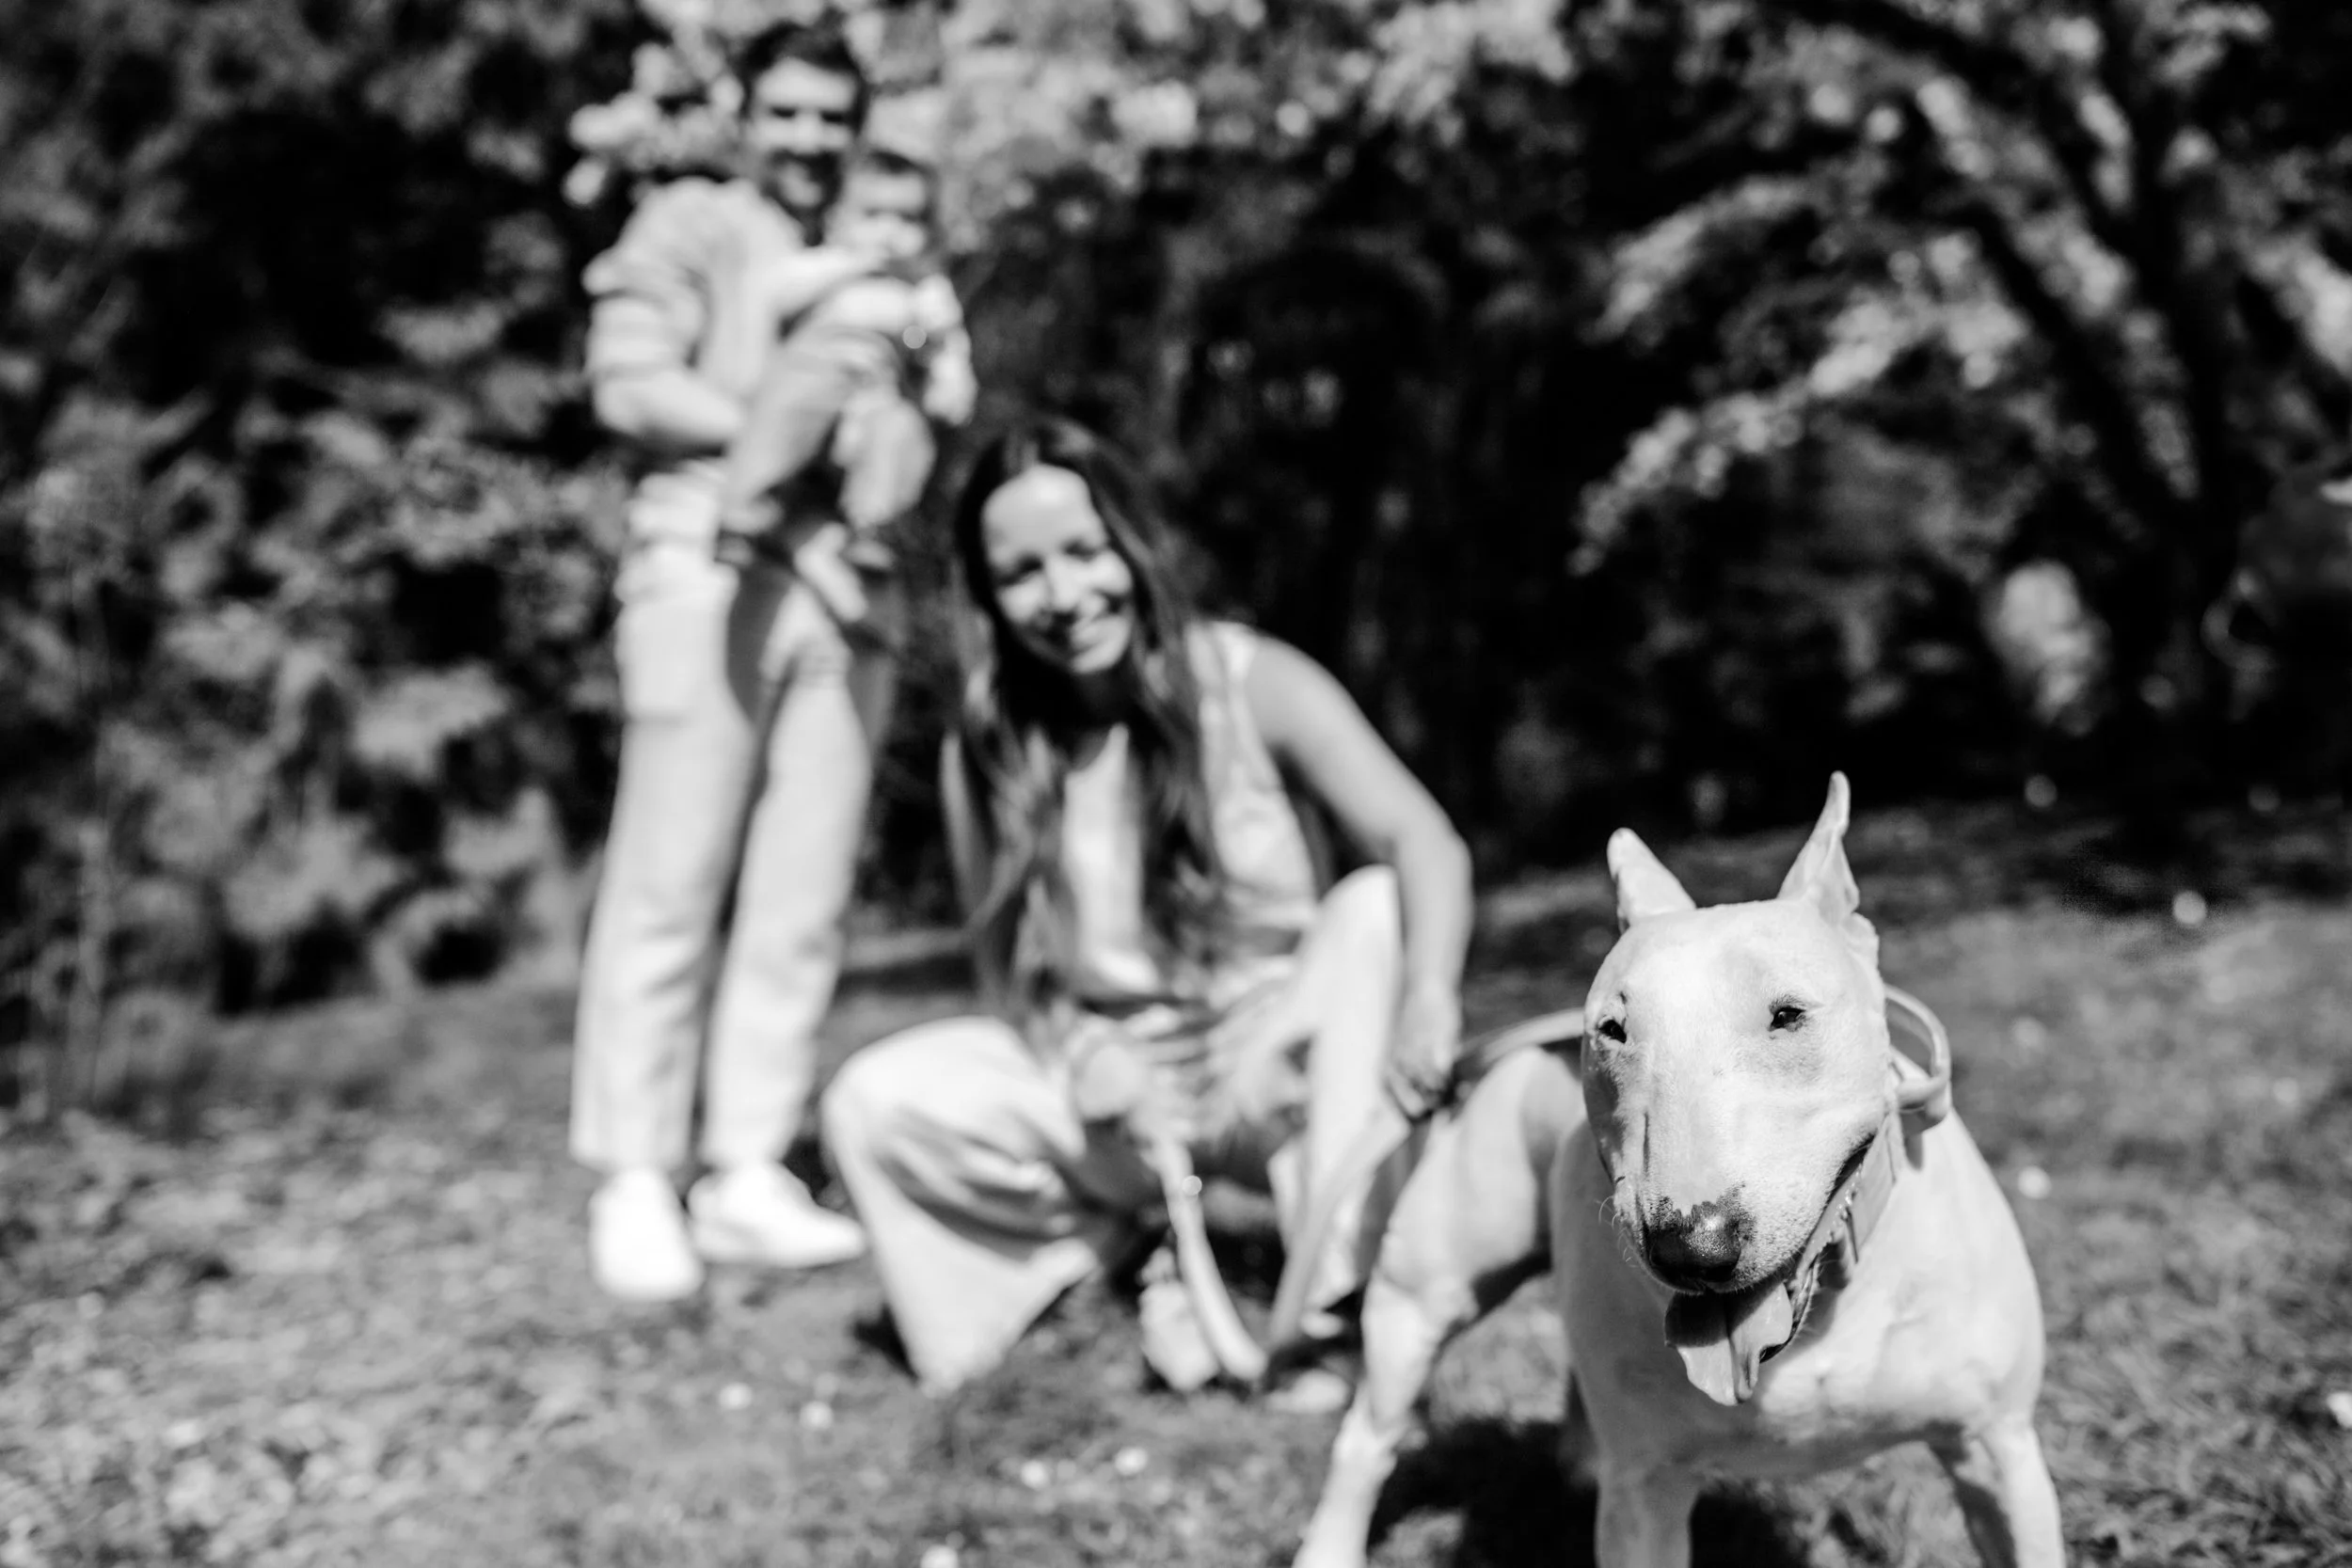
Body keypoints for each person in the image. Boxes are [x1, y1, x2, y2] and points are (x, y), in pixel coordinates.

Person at [820, 418, 1476, 1404]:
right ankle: (1107, 1253)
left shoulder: (1257, 680)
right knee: (870, 1099)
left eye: (1085, 550)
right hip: (1128, 1105)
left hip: (1282, 1072)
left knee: (1376, 906)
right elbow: (1008, 976)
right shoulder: (987, 751)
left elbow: (1422, 842)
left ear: (1132, 542)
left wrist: (1428, 996)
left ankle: (1335, 1324)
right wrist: (1088, 1056)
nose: (1065, 594)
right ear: (988, 597)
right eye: (1023, 571)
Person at [570, 19, 937, 1302]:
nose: (808, 138)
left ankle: (744, 1166)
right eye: (784, 113)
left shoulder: (884, 234)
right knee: (668, 876)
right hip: (701, 570)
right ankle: (632, 1168)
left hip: (851, 595)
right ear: (744, 113)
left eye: (829, 116)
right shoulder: (684, 226)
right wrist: (791, 442)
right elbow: (628, 388)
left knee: (804, 889)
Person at [712, 144, 977, 643]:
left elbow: (944, 344)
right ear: (836, 218)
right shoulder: (822, 267)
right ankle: (746, 511)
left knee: (901, 434)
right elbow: (777, 295)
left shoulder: (924, 289)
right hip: (817, 372)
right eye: (873, 214)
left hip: (879, 390)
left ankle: (874, 529)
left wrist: (949, 378)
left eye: (908, 218)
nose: (890, 231)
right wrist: (851, 264)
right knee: (783, 416)